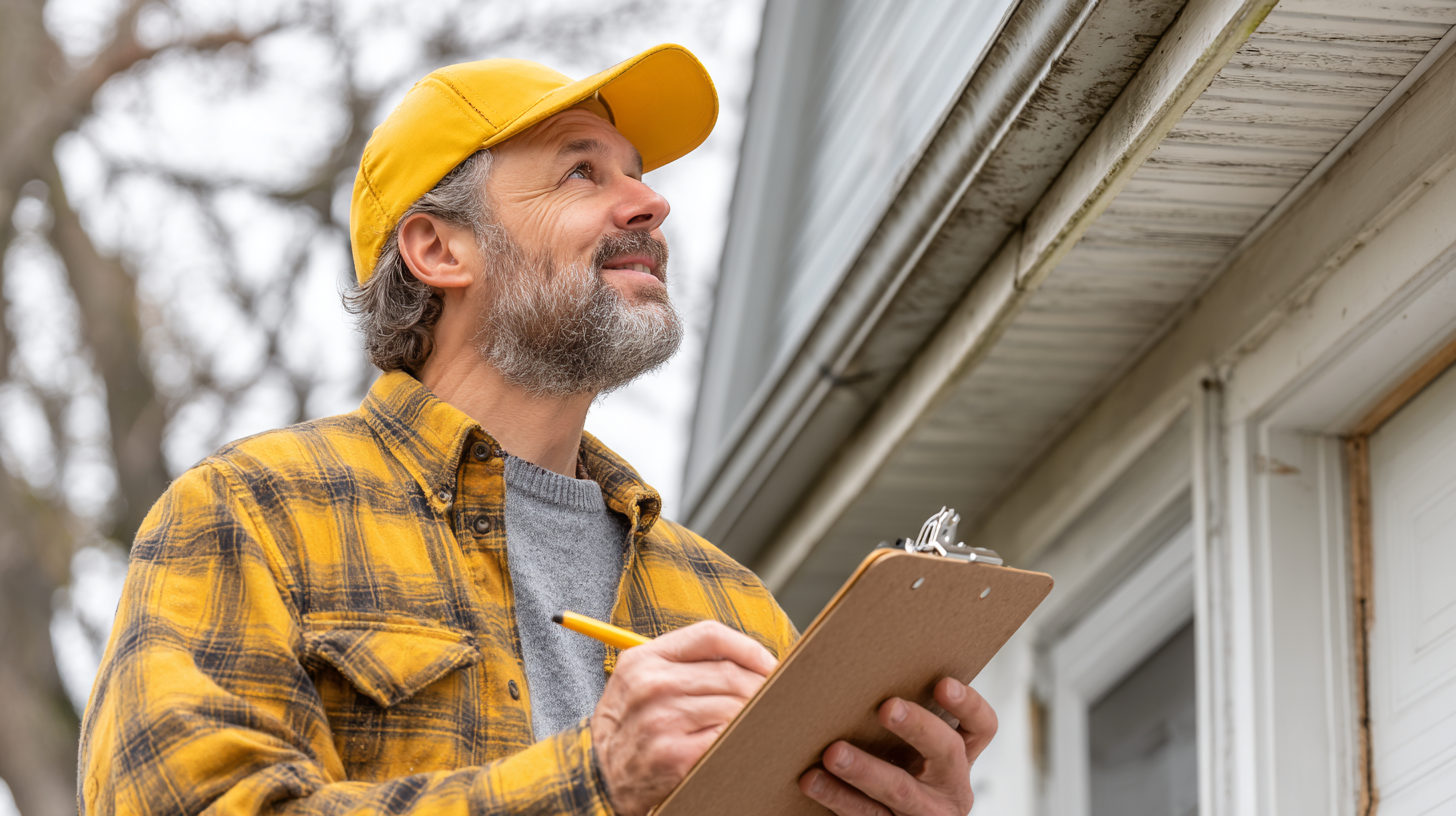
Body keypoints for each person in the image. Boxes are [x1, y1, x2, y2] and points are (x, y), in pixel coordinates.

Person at [78, 44, 996, 816]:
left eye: (637, 172)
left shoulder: (732, 604)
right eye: (582, 171)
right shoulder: (254, 516)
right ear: (440, 249)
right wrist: (592, 781)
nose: (649, 202)